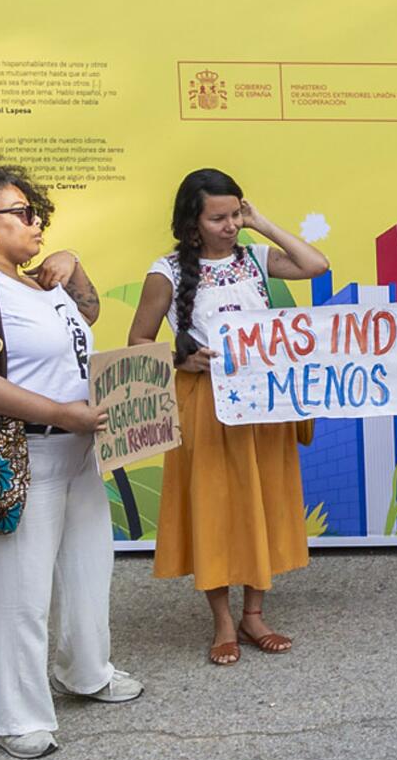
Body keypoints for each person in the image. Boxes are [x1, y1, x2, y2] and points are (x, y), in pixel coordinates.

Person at [0, 164, 139, 758]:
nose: (36, 222)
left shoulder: (34, 282)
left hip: (76, 448)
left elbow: (85, 318)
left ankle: (87, 670)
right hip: (14, 454)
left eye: (34, 210)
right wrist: (61, 413)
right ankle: (18, 717)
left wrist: (73, 264)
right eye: (22, 212)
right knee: (18, 593)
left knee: (90, 571)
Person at [127, 169, 329, 665]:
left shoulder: (256, 259)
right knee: (214, 507)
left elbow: (315, 265)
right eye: (219, 217)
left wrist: (261, 223)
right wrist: (180, 357)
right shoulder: (167, 272)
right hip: (204, 405)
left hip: (262, 404)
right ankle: (222, 620)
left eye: (235, 213)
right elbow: (138, 340)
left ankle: (254, 614)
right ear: (191, 223)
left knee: (260, 501)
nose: (230, 225)